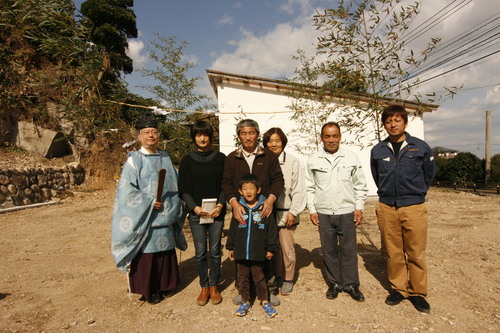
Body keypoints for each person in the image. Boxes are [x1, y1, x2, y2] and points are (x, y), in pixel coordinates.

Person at [111, 113, 186, 305]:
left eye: (154, 132)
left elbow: (175, 184)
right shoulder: (134, 161)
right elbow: (127, 191)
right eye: (146, 132)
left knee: (165, 252)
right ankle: (149, 289)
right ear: (139, 136)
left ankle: (167, 285)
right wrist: (149, 202)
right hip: (145, 216)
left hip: (166, 214)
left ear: (159, 135)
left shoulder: (166, 157)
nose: (151, 136)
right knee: (147, 254)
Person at [370, 105, 436, 313]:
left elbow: (429, 174)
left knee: (415, 252)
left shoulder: (420, 147)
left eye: (397, 120)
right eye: (389, 121)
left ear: (405, 123)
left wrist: (416, 193)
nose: (393, 124)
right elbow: (376, 175)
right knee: (394, 252)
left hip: (414, 207)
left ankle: (418, 293)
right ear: (385, 125)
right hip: (387, 206)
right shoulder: (378, 150)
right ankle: (399, 289)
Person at [221, 119, 284, 306]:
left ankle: (269, 290)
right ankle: (244, 291)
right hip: (242, 211)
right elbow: (225, 183)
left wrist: (271, 200)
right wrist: (233, 202)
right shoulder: (232, 158)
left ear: (257, 134)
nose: (248, 137)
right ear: (239, 135)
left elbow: (278, 180)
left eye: (251, 133)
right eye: (243, 133)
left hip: (263, 210)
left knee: (266, 249)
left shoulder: (269, 156)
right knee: (242, 248)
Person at [305, 122, 368, 302]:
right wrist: (312, 209)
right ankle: (334, 284)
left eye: (334, 136)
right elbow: (310, 186)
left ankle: (351, 285)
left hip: (347, 211)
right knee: (329, 250)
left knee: (349, 251)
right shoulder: (314, 159)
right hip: (324, 212)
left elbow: (360, 185)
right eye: (327, 136)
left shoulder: (351, 157)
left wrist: (359, 207)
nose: (331, 140)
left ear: (340, 136)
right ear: (321, 138)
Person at [178, 120, 226, 306]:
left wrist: (220, 206)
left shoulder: (221, 158)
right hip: (197, 215)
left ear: (210, 136)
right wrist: (195, 208)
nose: (202, 138)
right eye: (198, 134)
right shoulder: (187, 161)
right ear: (193, 137)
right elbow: (184, 189)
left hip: (216, 213)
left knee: (214, 251)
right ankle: (203, 286)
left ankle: (214, 285)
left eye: (205, 134)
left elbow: (225, 184)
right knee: (200, 252)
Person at [226, 174, 279, 318]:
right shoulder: (238, 209)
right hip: (241, 252)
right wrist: (231, 247)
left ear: (259, 189)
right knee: (242, 278)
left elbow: (271, 230)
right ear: (240, 191)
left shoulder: (264, 208)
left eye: (251, 188)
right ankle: (245, 301)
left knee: (259, 277)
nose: (248, 191)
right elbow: (232, 230)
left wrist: (270, 249)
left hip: (258, 252)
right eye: (245, 188)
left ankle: (265, 301)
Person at [262, 127, 307, 295]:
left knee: (287, 248)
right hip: (267, 213)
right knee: (273, 248)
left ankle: (288, 278)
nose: (273, 144)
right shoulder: (263, 161)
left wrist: (294, 211)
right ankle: (276, 276)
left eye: (277, 141)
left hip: (285, 212)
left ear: (283, 142)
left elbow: (299, 189)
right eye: (270, 141)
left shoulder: (292, 162)